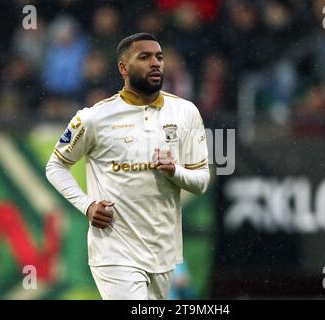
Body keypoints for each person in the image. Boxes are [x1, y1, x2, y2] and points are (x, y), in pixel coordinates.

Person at [45, 33, 210, 300]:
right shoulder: (94, 118)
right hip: (114, 249)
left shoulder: (185, 112)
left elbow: (201, 181)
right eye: (144, 57)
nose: (155, 63)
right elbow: (55, 166)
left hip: (163, 251)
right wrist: (87, 205)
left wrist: (174, 171)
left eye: (159, 57)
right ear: (124, 68)